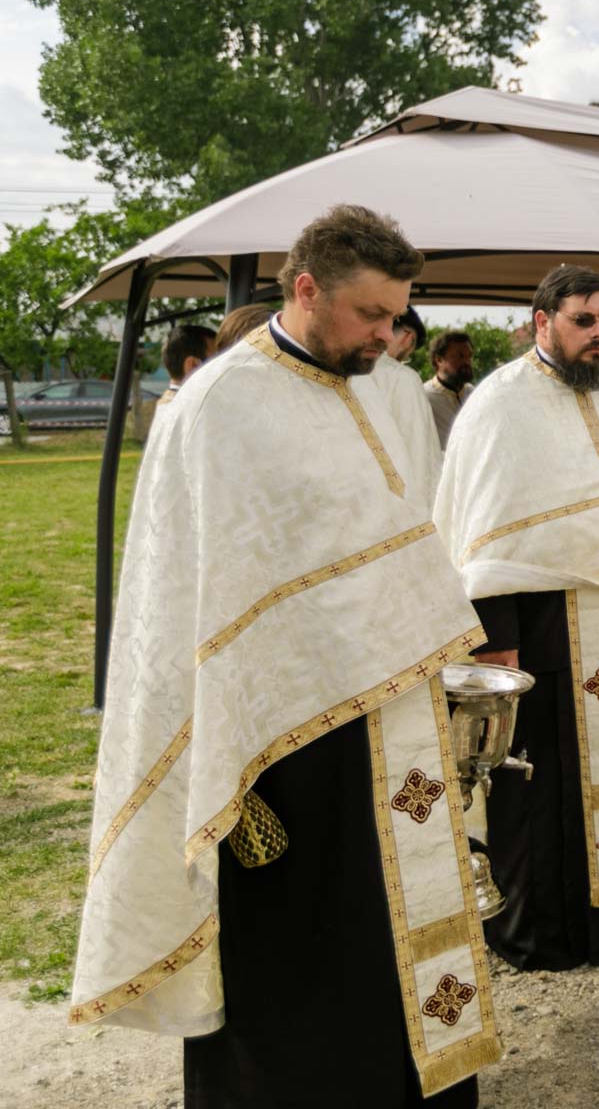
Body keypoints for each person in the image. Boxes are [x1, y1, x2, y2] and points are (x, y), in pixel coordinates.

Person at [71, 204, 500, 1107]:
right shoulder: (217, 406)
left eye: (395, 317)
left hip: (390, 714)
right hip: (279, 737)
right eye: (371, 314)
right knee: (301, 945)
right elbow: (190, 596)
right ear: (306, 288)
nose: (387, 335)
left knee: (390, 926)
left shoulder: (371, 386)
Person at [434, 265, 599, 972]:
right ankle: (542, 932)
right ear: (542, 322)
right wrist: (497, 646)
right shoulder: (499, 404)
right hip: (543, 632)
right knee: (540, 792)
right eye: (584, 320)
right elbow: (484, 540)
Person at [368, 322, 443, 508]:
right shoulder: (403, 378)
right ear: (409, 338)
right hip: (396, 504)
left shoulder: (342, 370)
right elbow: (419, 451)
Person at [423, 330, 476, 447]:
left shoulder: (475, 394)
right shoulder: (424, 397)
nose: (466, 362)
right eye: (460, 356)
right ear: (439, 360)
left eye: (469, 356)